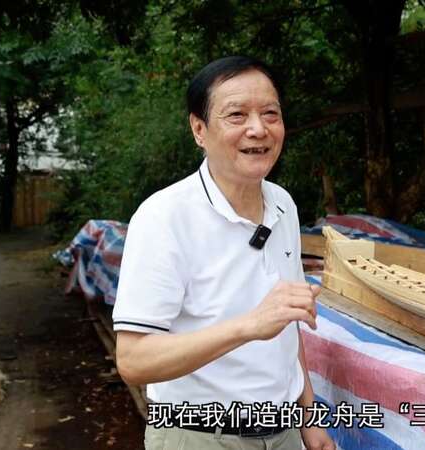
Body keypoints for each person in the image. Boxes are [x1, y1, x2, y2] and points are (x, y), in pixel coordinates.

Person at [112, 55, 336, 450]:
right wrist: (248, 325)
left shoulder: (282, 204)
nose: (258, 129)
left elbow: (287, 323)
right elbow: (133, 360)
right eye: (236, 115)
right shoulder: (164, 217)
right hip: (199, 437)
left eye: (270, 113)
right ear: (199, 129)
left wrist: (308, 418)